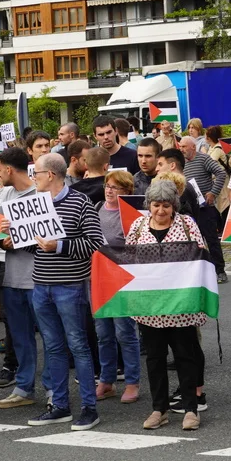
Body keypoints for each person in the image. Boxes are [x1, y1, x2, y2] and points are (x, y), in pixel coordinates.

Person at [24, 152, 105, 430]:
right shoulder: (35, 204)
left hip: (70, 286)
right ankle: (59, 405)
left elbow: (95, 243)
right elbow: (33, 246)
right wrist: (14, 236)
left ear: (50, 175)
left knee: (78, 345)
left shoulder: (80, 202)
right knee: (53, 347)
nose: (33, 178)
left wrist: (58, 245)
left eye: (36, 173)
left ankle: (89, 408)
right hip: (41, 285)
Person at [127, 178, 210, 432]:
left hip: (181, 306)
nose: (160, 210)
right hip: (150, 308)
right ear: (148, 205)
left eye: (165, 205)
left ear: (174, 205)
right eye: (156, 205)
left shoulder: (187, 225)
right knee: (155, 358)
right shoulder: (138, 226)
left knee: (186, 356)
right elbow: (127, 260)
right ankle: (159, 409)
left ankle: (190, 409)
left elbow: (201, 255)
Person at [0, 147, 42, 410]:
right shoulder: (3, 194)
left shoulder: (41, 194)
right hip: (12, 278)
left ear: (9, 169)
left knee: (52, 339)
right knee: (20, 338)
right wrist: (5, 241)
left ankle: (54, 391)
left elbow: (49, 236)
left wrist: (20, 240)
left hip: (39, 279)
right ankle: (24, 387)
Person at [96, 169, 142, 405]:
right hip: (100, 278)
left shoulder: (131, 215)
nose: (110, 190)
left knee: (125, 332)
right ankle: (107, 380)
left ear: (127, 191)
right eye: (108, 186)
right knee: (103, 333)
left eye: (115, 187)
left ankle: (132, 381)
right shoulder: (97, 209)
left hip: (123, 279)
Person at [179, 135, 228, 283]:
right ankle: (199, 273)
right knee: (194, 242)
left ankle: (220, 271)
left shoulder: (204, 159)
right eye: (180, 146)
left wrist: (213, 192)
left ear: (193, 147)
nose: (181, 149)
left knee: (212, 240)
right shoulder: (181, 163)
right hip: (189, 209)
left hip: (205, 207)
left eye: (184, 146)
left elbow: (221, 173)